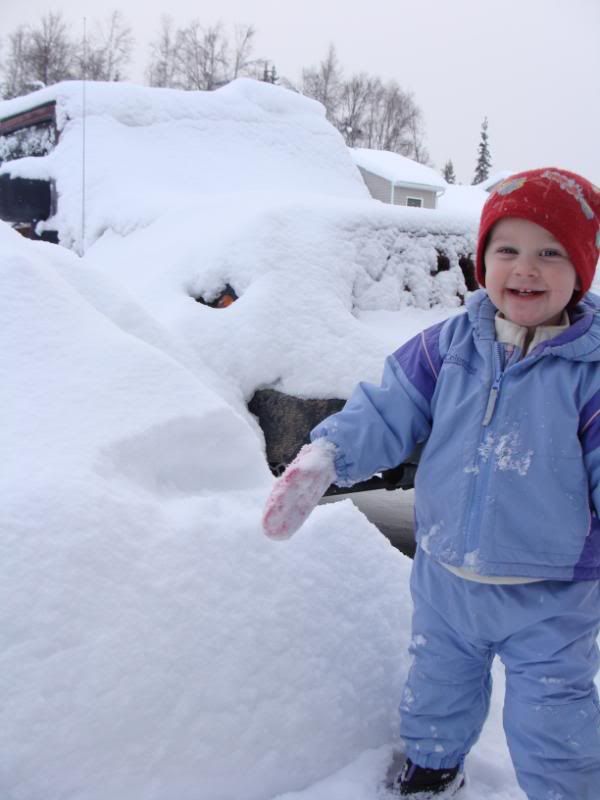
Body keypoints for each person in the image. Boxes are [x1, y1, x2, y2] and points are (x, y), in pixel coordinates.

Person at [262, 167, 600, 799]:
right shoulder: (451, 344)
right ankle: (432, 767)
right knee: (437, 684)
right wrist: (327, 457)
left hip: (551, 592)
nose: (525, 269)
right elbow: (388, 406)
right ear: (484, 262)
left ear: (582, 267)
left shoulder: (591, 370)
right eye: (508, 250)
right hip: (445, 574)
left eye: (549, 252)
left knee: (554, 719)